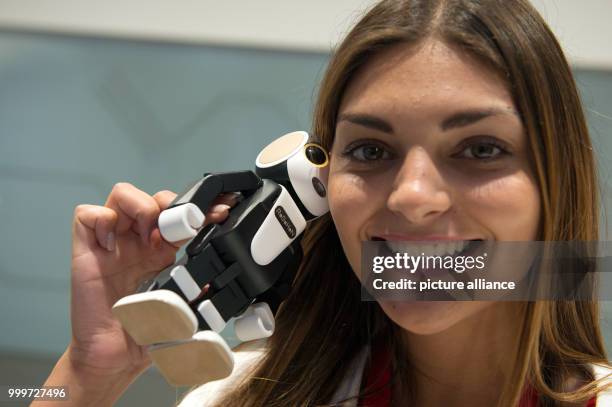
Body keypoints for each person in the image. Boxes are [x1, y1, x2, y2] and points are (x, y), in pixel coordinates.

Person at [36, 0, 612, 405]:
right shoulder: (235, 398)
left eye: (480, 148)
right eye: (370, 149)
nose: (412, 196)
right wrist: (88, 376)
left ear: (554, 179)